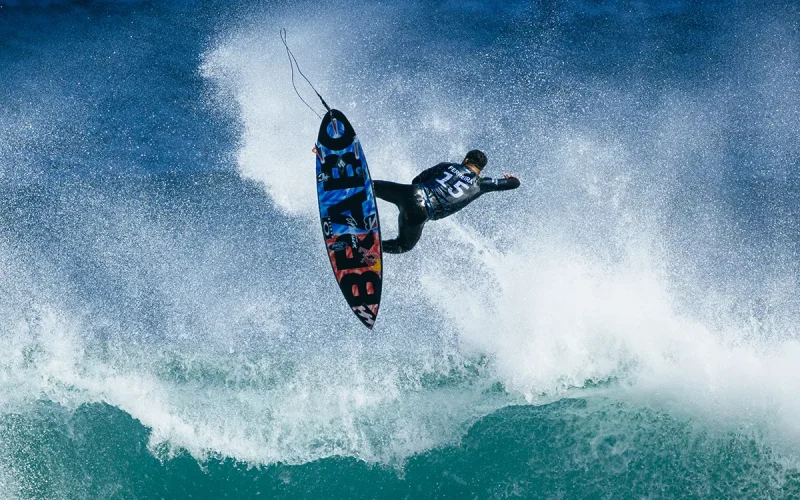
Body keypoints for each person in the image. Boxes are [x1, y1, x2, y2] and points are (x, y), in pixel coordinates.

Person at [372, 150, 520, 254]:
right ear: (480, 170)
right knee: (402, 246)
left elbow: (416, 180)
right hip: (423, 212)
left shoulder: (447, 165)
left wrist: (407, 201)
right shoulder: (481, 183)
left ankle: (351, 188)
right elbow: (513, 183)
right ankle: (369, 248)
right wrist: (511, 179)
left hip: (410, 192)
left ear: (465, 160)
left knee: (372, 187)